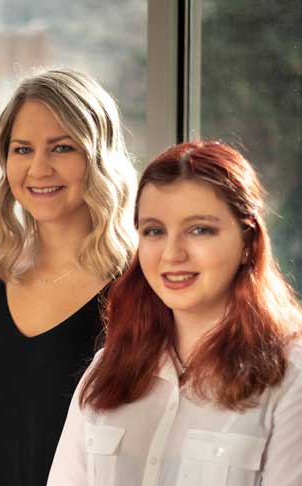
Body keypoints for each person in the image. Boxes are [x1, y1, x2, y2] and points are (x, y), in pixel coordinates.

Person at [48, 141, 302, 486]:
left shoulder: (291, 378)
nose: (172, 254)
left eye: (199, 230)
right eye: (154, 231)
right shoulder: (107, 370)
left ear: (248, 242)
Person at [0, 69, 137, 485]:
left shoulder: (140, 291)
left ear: (97, 157)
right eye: (23, 149)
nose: (39, 168)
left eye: (62, 147)